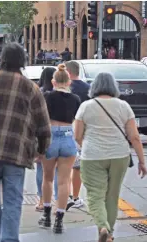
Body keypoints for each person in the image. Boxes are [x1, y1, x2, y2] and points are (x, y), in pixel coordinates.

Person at [0, 42, 51, 241]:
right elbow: (43, 125)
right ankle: (9, 238)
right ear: (22, 61)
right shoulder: (31, 88)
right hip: (17, 152)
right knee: (13, 199)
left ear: (2, 59)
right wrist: (41, 149)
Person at [74, 72, 147, 242]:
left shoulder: (86, 106)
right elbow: (135, 137)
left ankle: (102, 227)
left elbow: (77, 135)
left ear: (94, 87)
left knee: (95, 195)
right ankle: (110, 233)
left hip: (92, 156)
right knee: (112, 196)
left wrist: (88, 144)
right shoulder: (124, 106)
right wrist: (142, 161)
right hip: (119, 155)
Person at [38, 64, 81, 234]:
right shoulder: (76, 99)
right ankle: (59, 220)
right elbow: (77, 120)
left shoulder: (47, 96)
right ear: (69, 81)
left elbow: (41, 118)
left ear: (53, 81)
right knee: (64, 181)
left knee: (47, 178)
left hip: (51, 136)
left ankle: (47, 215)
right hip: (68, 136)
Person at [65, 61, 91, 210]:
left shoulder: (62, 88)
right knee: (77, 166)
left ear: (67, 72)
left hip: (63, 126)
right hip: (81, 129)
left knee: (63, 165)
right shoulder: (87, 89)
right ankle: (75, 197)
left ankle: (64, 194)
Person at [36, 66, 58, 212]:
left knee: (40, 167)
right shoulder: (59, 93)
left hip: (41, 132)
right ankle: (56, 200)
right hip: (58, 132)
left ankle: (42, 200)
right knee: (57, 170)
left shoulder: (39, 94)